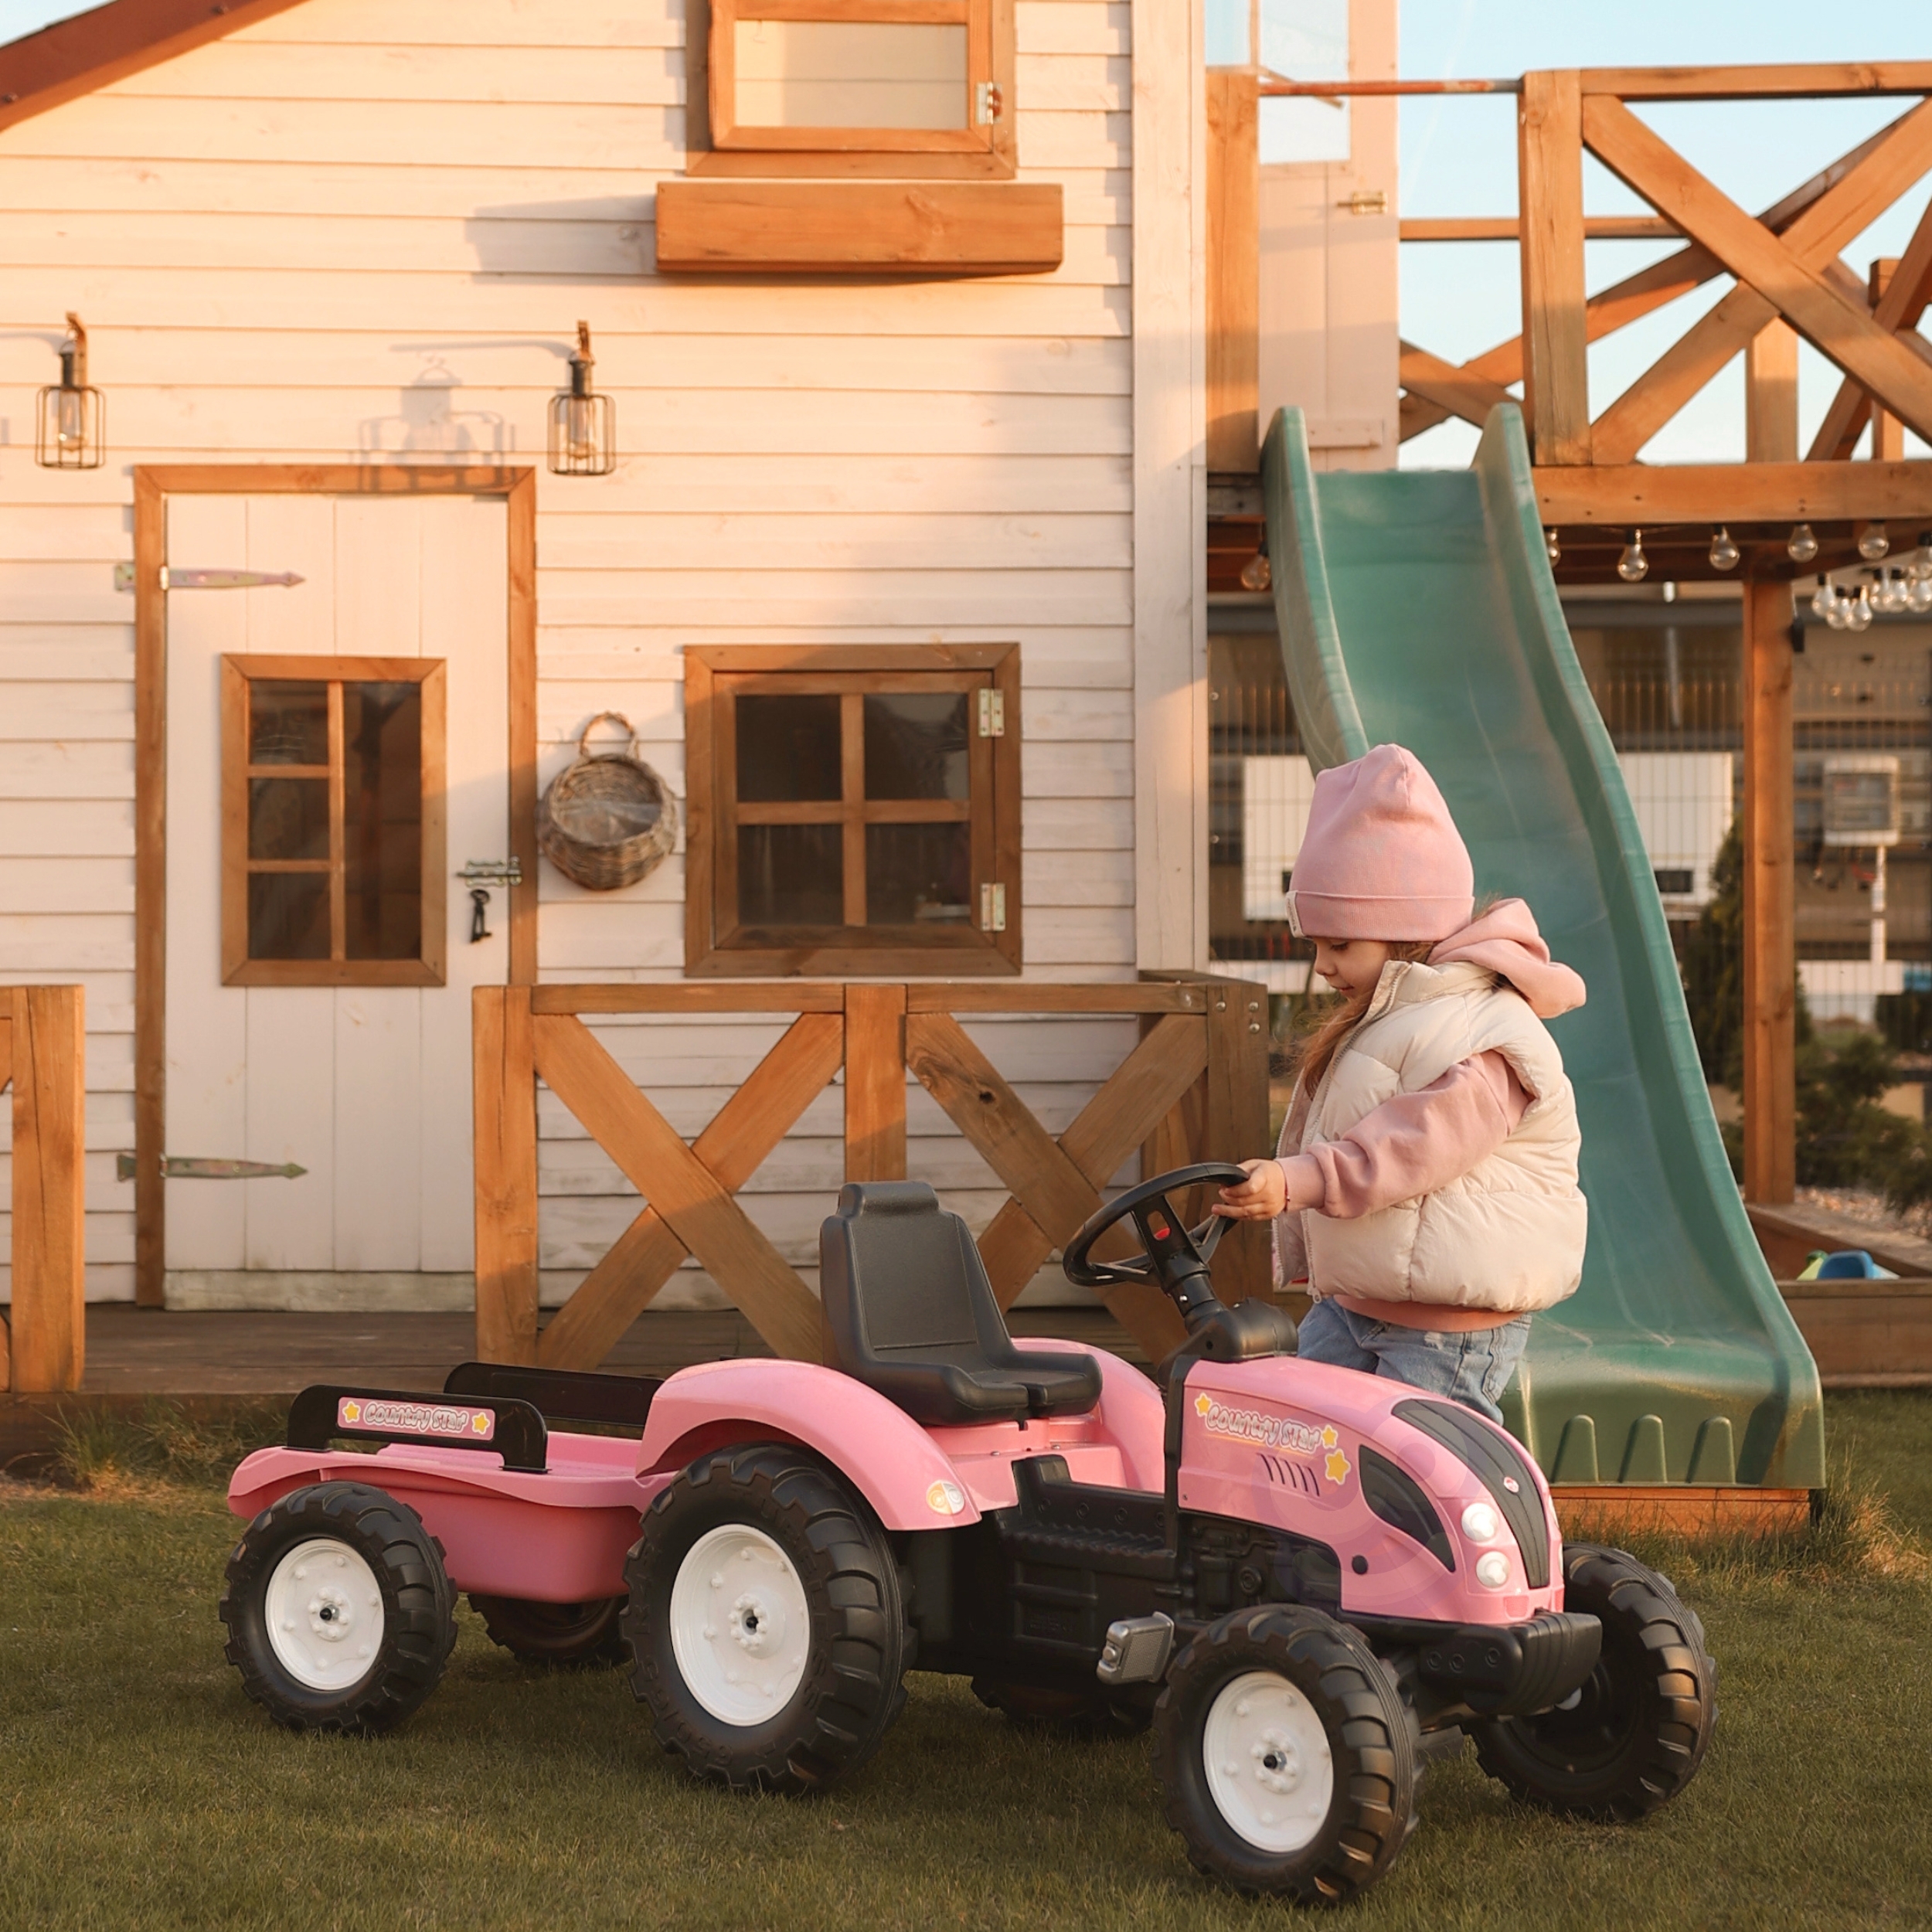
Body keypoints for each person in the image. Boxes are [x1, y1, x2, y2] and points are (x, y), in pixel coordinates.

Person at [1213, 743, 1588, 1426]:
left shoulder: (1484, 1034)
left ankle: (1484, 1533)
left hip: (1448, 1323)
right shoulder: (1392, 1018)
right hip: (1360, 1306)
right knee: (1306, 1434)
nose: (1322, 966)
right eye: (1316, 945)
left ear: (1403, 930)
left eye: (1340, 945)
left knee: (1426, 1462)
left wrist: (1296, 1182)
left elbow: (1408, 1150)